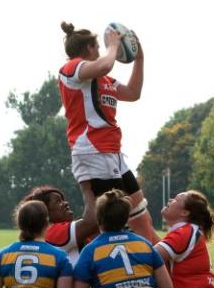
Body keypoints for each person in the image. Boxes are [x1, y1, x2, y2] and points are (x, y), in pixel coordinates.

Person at [57, 21, 158, 244]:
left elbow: (133, 93)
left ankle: (155, 259)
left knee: (139, 212)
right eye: (99, 47)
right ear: (89, 49)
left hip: (112, 152)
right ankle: (63, 245)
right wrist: (114, 44)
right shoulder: (72, 69)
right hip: (92, 151)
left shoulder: (103, 79)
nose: (102, 51)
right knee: (108, 220)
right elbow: (104, 65)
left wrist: (139, 59)